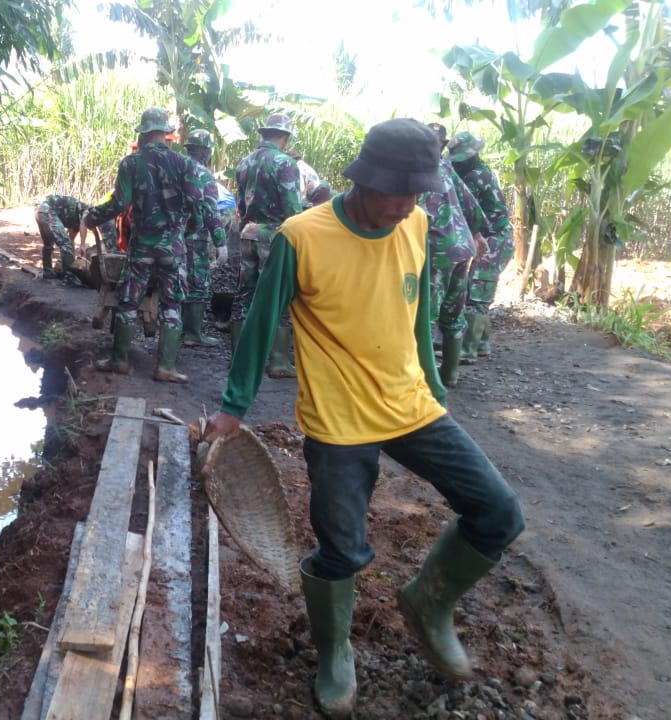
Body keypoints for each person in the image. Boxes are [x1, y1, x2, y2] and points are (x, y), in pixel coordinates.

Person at [203, 118, 525, 719]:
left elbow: (418, 314)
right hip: (338, 421)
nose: (407, 207)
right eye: (398, 194)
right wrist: (231, 407)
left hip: (412, 408)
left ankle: (428, 603)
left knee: (499, 513)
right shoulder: (301, 236)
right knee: (342, 551)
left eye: (416, 195)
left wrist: (434, 388)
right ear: (366, 180)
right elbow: (258, 322)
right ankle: (334, 653)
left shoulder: (418, 225)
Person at [84, 108, 206, 383]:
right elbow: (197, 204)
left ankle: (119, 360)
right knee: (172, 305)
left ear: (143, 132)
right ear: (166, 132)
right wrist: (189, 231)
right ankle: (165, 367)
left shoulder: (131, 163)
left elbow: (118, 204)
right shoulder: (184, 164)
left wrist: (91, 216)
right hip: (173, 249)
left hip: (141, 247)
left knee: (128, 303)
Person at [232, 113, 321, 378]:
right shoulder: (285, 163)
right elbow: (292, 209)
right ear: (284, 137)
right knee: (280, 296)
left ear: (265, 133)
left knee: (244, 296)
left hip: (248, 232)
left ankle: (239, 358)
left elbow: (239, 204)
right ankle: (278, 361)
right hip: (275, 236)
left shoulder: (244, 163)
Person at [419, 123, 491, 387]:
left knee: (427, 313)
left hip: (437, 248)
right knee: (453, 309)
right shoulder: (445, 168)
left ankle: (425, 379)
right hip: (460, 246)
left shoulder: (416, 170)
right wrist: (477, 234)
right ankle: (450, 374)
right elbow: (470, 203)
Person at [448, 131, 515, 362]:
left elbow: (465, 210)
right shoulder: (478, 172)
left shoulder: (475, 177)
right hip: (494, 237)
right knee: (479, 288)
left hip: (495, 238)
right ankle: (483, 343)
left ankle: (467, 349)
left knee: (477, 292)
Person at [180, 129, 230, 347]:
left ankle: (177, 329)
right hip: (195, 237)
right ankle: (193, 333)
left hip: (170, 235)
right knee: (199, 283)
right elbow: (211, 211)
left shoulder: (176, 166)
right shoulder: (204, 175)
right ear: (207, 151)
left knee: (177, 280)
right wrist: (221, 243)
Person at [34, 194, 118, 280]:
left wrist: (72, 262)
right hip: (48, 211)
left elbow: (71, 240)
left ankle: (48, 272)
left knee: (48, 244)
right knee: (65, 244)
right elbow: (83, 224)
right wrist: (82, 245)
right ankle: (69, 277)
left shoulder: (75, 219)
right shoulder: (88, 210)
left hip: (40, 212)